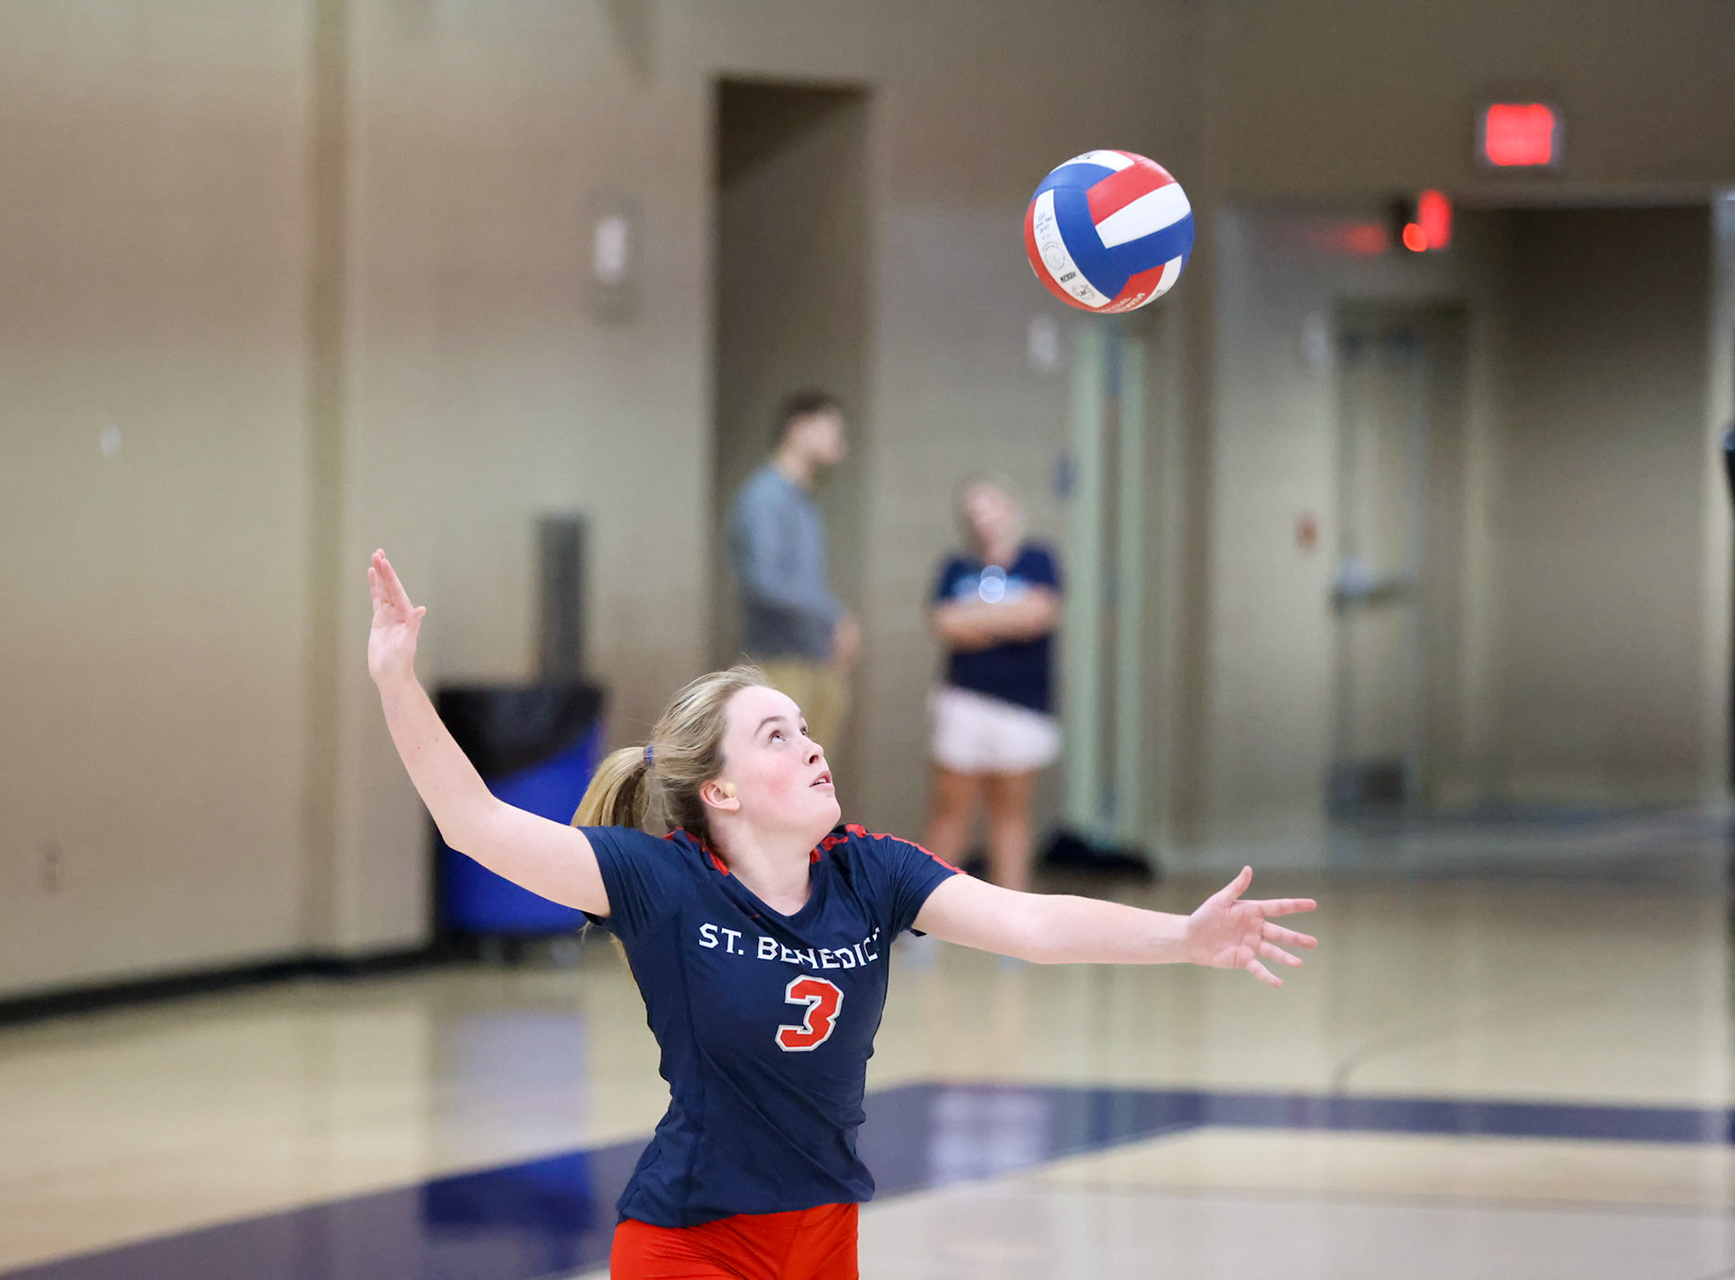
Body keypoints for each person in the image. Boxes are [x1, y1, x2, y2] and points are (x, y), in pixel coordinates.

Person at [366, 548, 1317, 1280]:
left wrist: (1183, 937)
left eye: (808, 728)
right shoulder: (662, 881)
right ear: (722, 792)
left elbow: (1030, 923)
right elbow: (474, 823)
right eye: (777, 736)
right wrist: (396, 682)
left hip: (824, 1237)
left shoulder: (871, 872)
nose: (813, 747)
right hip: (691, 1239)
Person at [924, 476, 1062, 893]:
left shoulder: (1038, 559)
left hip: (1023, 706)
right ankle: (926, 913)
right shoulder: (956, 567)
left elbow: (1039, 615)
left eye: (990, 507)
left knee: (1011, 814)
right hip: (963, 701)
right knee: (951, 810)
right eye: (973, 512)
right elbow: (945, 623)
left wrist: (975, 619)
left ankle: (1012, 913)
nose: (983, 519)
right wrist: (1009, 619)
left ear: (1011, 508)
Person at [725, 391, 861, 757]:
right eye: (832, 430)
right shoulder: (764, 497)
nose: (839, 443)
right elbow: (763, 581)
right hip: (781, 665)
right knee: (780, 773)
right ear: (798, 428)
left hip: (813, 659)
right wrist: (834, 616)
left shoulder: (801, 499)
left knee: (810, 775)